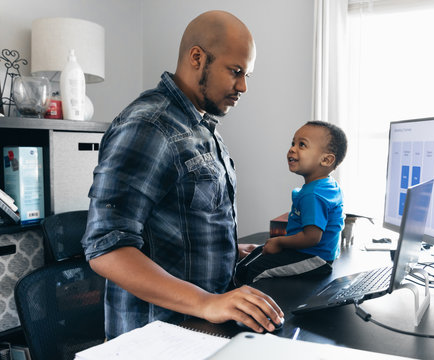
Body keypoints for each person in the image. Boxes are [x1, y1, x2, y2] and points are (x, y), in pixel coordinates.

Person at [81, 10, 283, 339]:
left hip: (202, 327)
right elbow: (106, 249)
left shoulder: (201, 127)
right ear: (196, 57)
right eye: (235, 71)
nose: (243, 86)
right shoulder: (149, 125)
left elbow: (180, 219)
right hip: (159, 337)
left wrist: (228, 248)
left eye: (247, 74)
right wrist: (206, 302)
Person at [235, 121, 347, 284]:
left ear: (326, 160)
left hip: (314, 258)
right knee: (254, 255)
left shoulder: (314, 194)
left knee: (254, 270)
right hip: (308, 252)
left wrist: (279, 241)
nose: (292, 149)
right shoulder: (324, 185)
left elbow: (312, 238)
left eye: (302, 145)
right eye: (293, 143)